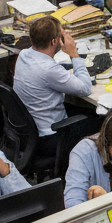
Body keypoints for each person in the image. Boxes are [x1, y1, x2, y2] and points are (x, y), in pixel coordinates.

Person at [13, 16, 94, 160]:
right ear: (54, 41)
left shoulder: (23, 55)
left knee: (87, 111)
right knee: (103, 121)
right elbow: (86, 88)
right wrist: (74, 54)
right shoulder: (49, 70)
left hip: (29, 133)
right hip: (51, 137)